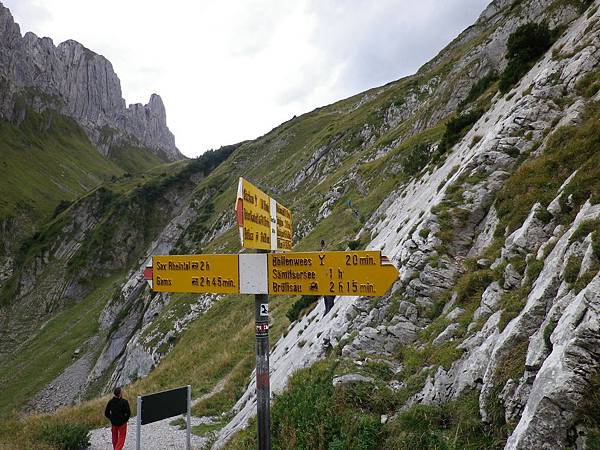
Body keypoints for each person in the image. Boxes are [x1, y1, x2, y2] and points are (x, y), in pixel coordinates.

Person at [320, 239, 335, 316]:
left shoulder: (326, 256)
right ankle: (327, 311)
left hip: (329, 282)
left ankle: (328, 311)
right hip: (326, 282)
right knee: (326, 297)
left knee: (329, 299)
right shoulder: (323, 255)